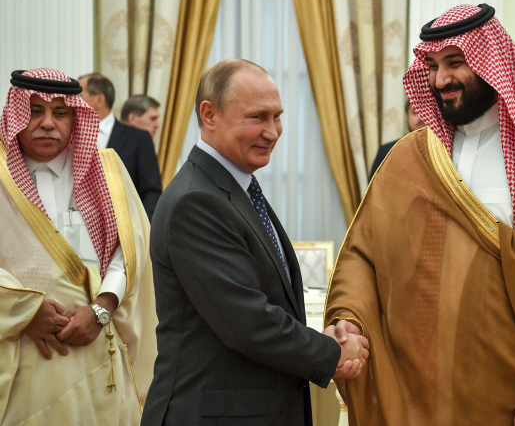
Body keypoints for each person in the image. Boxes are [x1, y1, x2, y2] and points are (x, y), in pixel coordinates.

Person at [325, 3, 515, 425]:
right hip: (426, 395)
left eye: (455, 63)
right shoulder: (412, 158)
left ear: (491, 62)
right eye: (433, 66)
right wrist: (350, 320)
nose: (440, 79)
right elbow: (366, 253)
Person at [141, 59, 369, 426]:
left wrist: (323, 339)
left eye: (277, 116)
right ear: (209, 114)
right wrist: (331, 353)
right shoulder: (196, 201)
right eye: (257, 117)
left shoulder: (233, 187)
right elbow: (248, 323)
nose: (273, 131)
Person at [0, 68, 157, 425]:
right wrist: (24, 311)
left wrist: (102, 308)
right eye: (34, 111)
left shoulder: (107, 171)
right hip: (23, 354)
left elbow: (129, 251)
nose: (46, 124)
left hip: (99, 348)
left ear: (77, 117)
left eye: (60, 112)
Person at [78, 73, 162, 220]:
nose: (74, 100)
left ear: (99, 99)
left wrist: (143, 230)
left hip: (126, 230)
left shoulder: (138, 138)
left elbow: (151, 191)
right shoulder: (72, 136)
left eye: (80, 95)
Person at [368, 100, 426, 180]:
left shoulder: (444, 150)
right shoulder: (388, 151)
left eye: (425, 112)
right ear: (407, 117)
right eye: (415, 113)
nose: (420, 118)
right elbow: (374, 189)